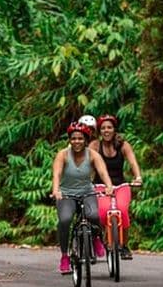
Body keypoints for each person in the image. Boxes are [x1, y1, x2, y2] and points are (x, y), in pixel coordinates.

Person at [52, 120, 115, 274]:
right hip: (66, 194)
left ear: (86, 139)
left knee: (93, 215)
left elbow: (102, 172)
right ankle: (65, 256)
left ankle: (96, 238)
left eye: (80, 138)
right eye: (73, 138)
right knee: (65, 220)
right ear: (69, 140)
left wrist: (108, 186)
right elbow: (57, 174)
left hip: (87, 192)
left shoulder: (93, 155)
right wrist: (56, 190)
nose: (76, 142)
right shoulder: (63, 155)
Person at [88, 114, 143, 259]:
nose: (106, 131)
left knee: (123, 211)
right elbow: (87, 165)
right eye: (103, 128)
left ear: (114, 129)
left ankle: (124, 245)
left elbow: (133, 163)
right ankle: (100, 240)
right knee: (101, 213)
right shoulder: (94, 146)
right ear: (99, 131)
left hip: (121, 186)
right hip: (100, 186)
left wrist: (138, 177)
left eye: (109, 127)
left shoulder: (123, 145)